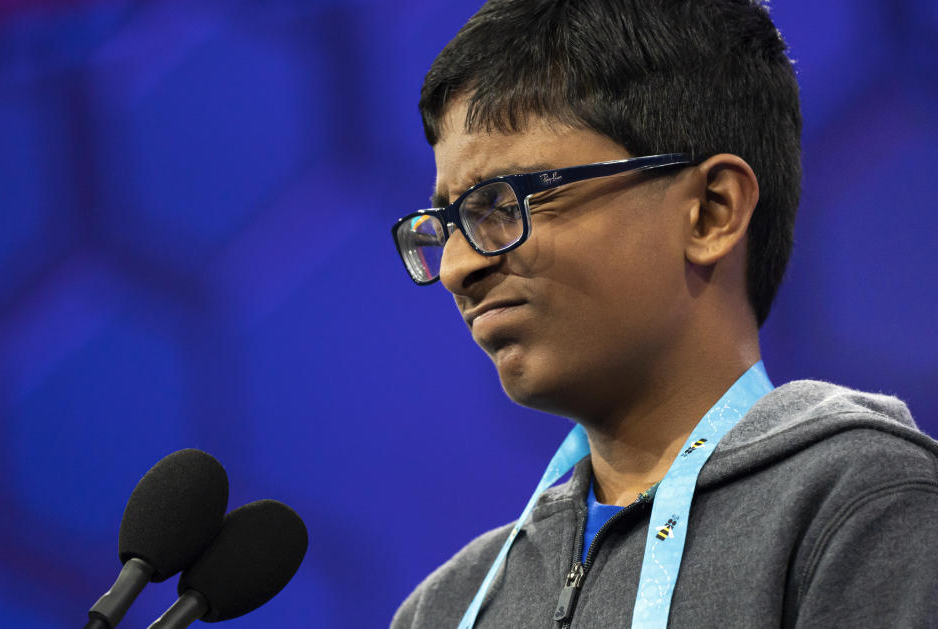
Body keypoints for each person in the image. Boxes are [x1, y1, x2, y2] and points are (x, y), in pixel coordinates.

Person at [389, 0, 938, 626]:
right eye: (449, 223)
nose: (458, 267)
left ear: (710, 210)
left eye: (503, 203)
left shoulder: (859, 508)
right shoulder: (446, 606)